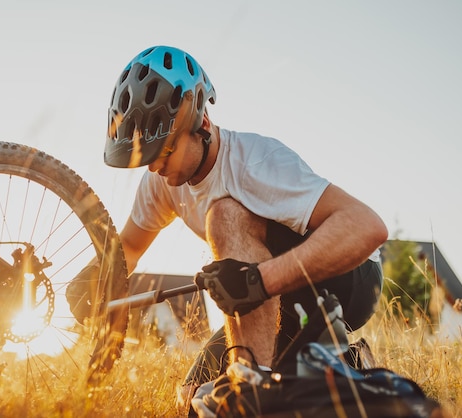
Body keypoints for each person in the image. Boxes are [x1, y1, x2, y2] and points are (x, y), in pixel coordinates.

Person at [71, 45, 388, 405]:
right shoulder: (160, 183)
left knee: (223, 215)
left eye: (165, 150)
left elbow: (367, 226)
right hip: (270, 295)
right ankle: (342, 366)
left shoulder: (256, 161)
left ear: (201, 124)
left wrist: (260, 280)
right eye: (147, 155)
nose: (155, 165)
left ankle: (254, 386)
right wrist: (96, 282)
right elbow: (127, 250)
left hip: (350, 279)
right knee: (193, 400)